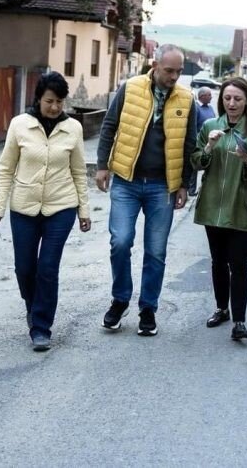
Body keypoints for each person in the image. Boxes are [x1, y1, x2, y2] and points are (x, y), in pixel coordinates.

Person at [96, 44, 196, 335]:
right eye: (169, 70)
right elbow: (109, 126)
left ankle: (148, 308)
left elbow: (189, 144)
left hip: (162, 186)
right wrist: (102, 165)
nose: (174, 76)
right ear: (155, 65)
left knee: (156, 251)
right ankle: (120, 300)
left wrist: (184, 184)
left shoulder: (186, 99)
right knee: (120, 241)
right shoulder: (130, 88)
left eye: (179, 71)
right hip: (126, 181)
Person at [0, 72, 91, 351]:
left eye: (59, 101)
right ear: (38, 99)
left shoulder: (73, 128)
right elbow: (5, 169)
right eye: (49, 101)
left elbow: (79, 171)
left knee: (47, 267)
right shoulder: (19, 125)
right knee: (24, 268)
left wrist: (84, 211)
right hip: (24, 208)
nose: (55, 107)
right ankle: (32, 306)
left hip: (61, 206)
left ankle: (41, 327)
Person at [192, 77, 247, 341]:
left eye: (237, 98)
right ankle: (221, 309)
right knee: (218, 261)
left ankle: (239, 321)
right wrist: (209, 146)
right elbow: (196, 162)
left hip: (241, 205)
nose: (232, 103)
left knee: (238, 265)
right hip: (213, 205)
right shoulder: (210, 126)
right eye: (227, 98)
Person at [188, 87, 216, 197]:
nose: (211, 97)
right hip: (198, 142)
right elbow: (192, 126)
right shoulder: (196, 108)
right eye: (209, 95)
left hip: (210, 142)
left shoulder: (210, 108)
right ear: (202, 96)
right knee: (195, 166)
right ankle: (191, 190)